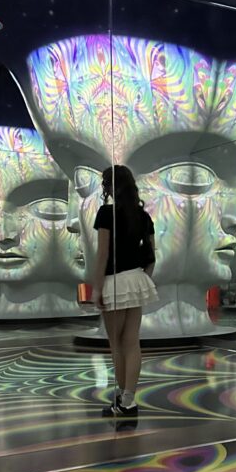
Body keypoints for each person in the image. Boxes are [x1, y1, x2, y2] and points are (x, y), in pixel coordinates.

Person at [92, 165, 157, 418]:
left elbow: (103, 254)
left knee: (116, 344)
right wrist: (142, 280)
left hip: (114, 283)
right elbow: (151, 256)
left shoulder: (105, 213)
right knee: (132, 342)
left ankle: (122, 400)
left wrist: (97, 287)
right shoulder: (143, 216)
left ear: (110, 187)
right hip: (136, 280)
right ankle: (128, 399)